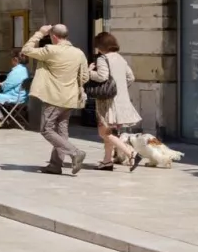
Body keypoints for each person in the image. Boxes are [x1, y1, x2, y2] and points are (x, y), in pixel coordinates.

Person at [21, 23, 89, 175]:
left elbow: (26, 50)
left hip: (54, 97)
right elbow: (85, 77)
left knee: (46, 129)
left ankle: (75, 152)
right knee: (61, 130)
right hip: (70, 98)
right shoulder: (79, 53)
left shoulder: (50, 50)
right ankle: (55, 165)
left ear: (54, 36)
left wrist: (39, 32)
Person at [89, 32, 142, 171]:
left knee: (104, 132)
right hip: (121, 101)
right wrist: (120, 88)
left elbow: (101, 76)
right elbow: (131, 77)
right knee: (111, 132)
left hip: (107, 102)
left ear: (100, 46)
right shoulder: (120, 58)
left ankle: (131, 152)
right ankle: (107, 161)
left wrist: (88, 72)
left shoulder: (102, 59)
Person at [0, 49, 31, 125]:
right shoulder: (25, 69)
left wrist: (2, 85)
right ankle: (2, 119)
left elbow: (7, 86)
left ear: (15, 59)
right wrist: (4, 83)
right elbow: (14, 82)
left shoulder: (16, 71)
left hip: (14, 97)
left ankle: (0, 119)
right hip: (23, 96)